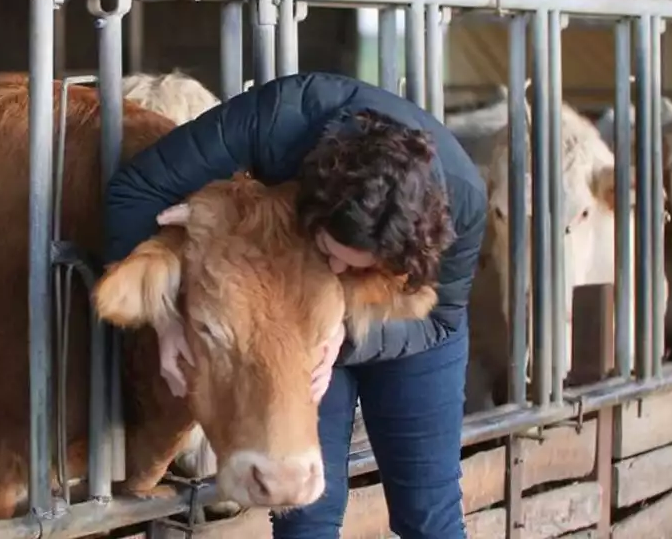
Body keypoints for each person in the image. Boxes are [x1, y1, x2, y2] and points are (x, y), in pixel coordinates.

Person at [104, 71, 487, 539]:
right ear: (311, 206)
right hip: (291, 317)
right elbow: (134, 190)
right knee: (306, 519)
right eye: (330, 254)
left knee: (430, 513)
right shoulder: (276, 119)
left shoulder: (462, 201)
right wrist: (163, 318)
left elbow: (441, 319)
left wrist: (343, 333)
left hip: (406, 330)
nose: (341, 273)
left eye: (359, 266)